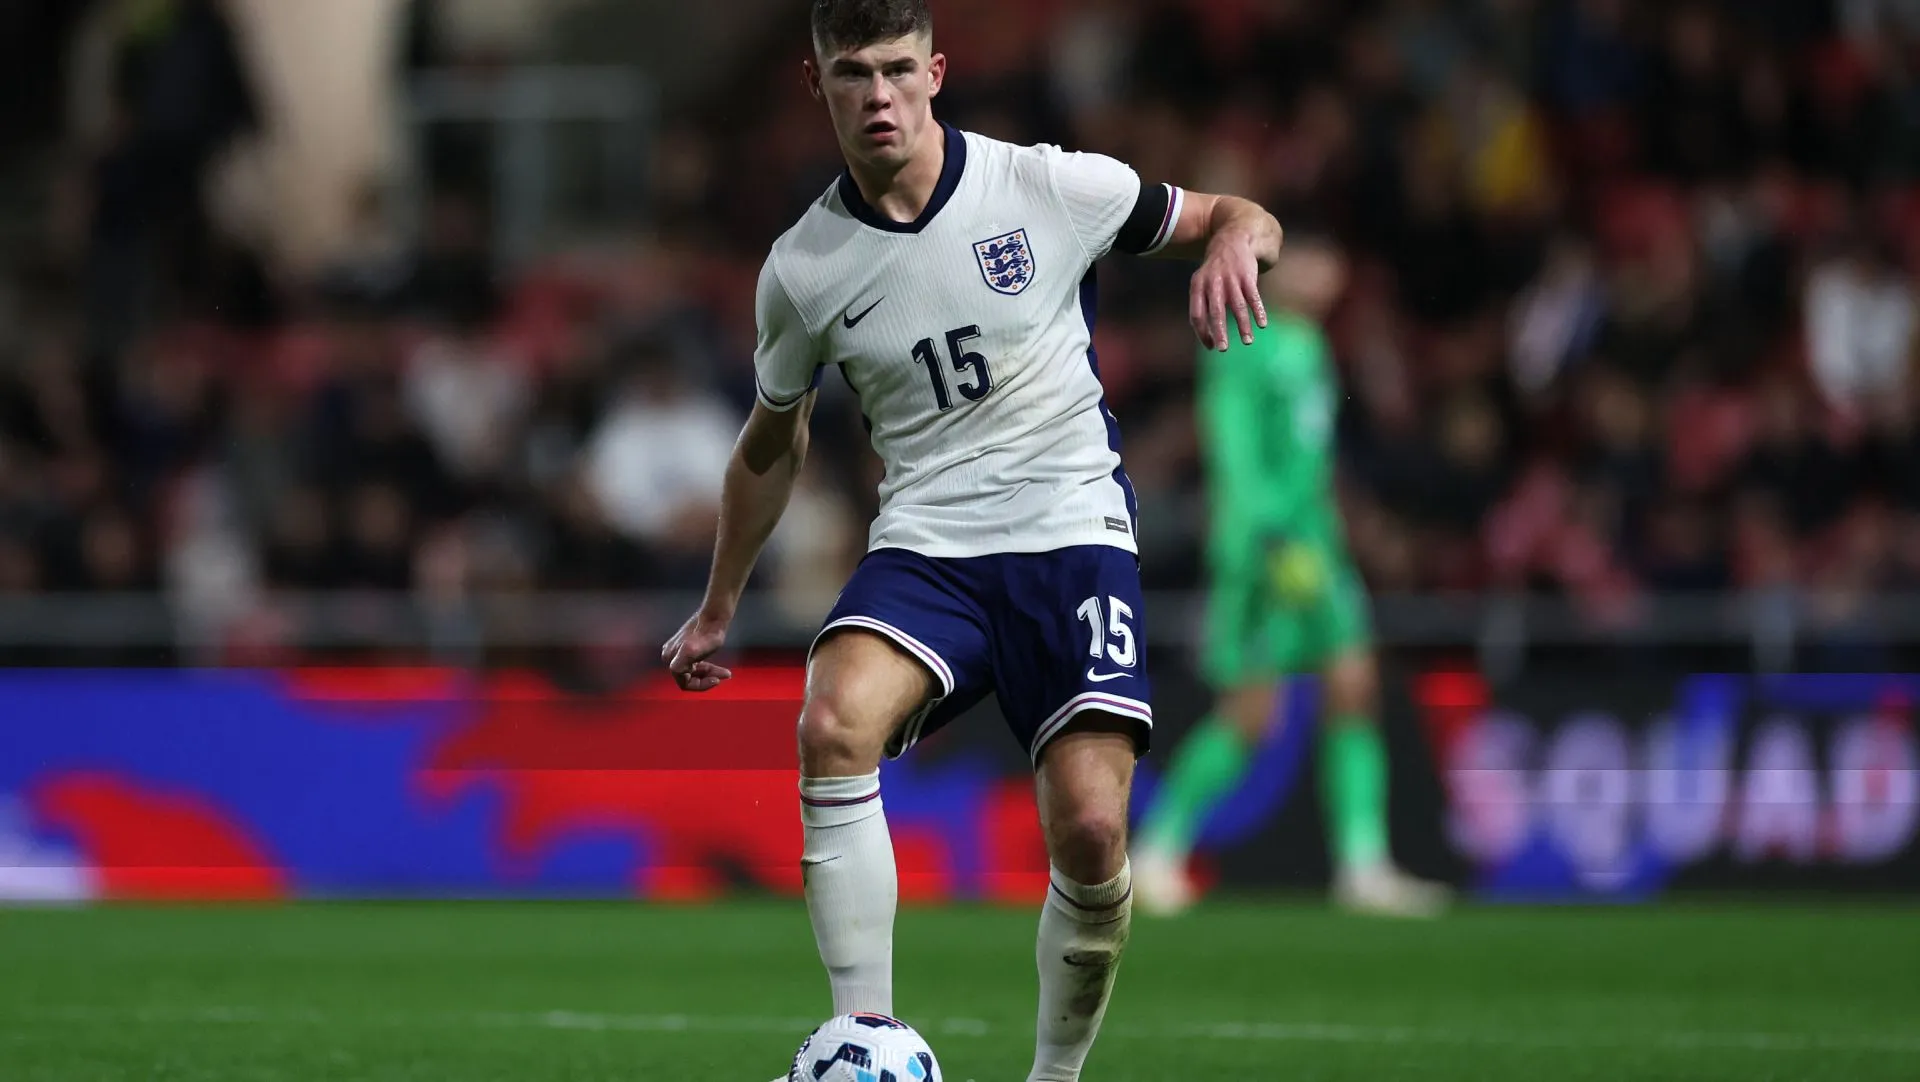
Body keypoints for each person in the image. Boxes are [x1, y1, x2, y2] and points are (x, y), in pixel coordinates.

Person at [659, 1, 1281, 1078]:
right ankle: (869, 1040)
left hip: (1072, 531)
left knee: (1090, 831)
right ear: (819, 87)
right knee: (831, 717)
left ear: (937, 71)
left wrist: (1232, 243)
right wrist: (718, 602)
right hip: (930, 545)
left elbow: (1241, 211)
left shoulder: (1045, 186)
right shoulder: (803, 268)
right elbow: (772, 445)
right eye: (852, 74)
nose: (879, 95)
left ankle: (1053, 1076)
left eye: (899, 69)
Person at [1131, 237, 1451, 918]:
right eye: (1310, 261)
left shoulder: (1310, 347)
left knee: (1355, 686)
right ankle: (1157, 851)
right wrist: (1267, 537)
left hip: (1316, 550)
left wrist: (1333, 534)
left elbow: (1310, 459)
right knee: (1250, 716)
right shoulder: (1243, 338)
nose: (1325, 276)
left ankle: (1363, 866)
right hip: (1262, 552)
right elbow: (1234, 448)